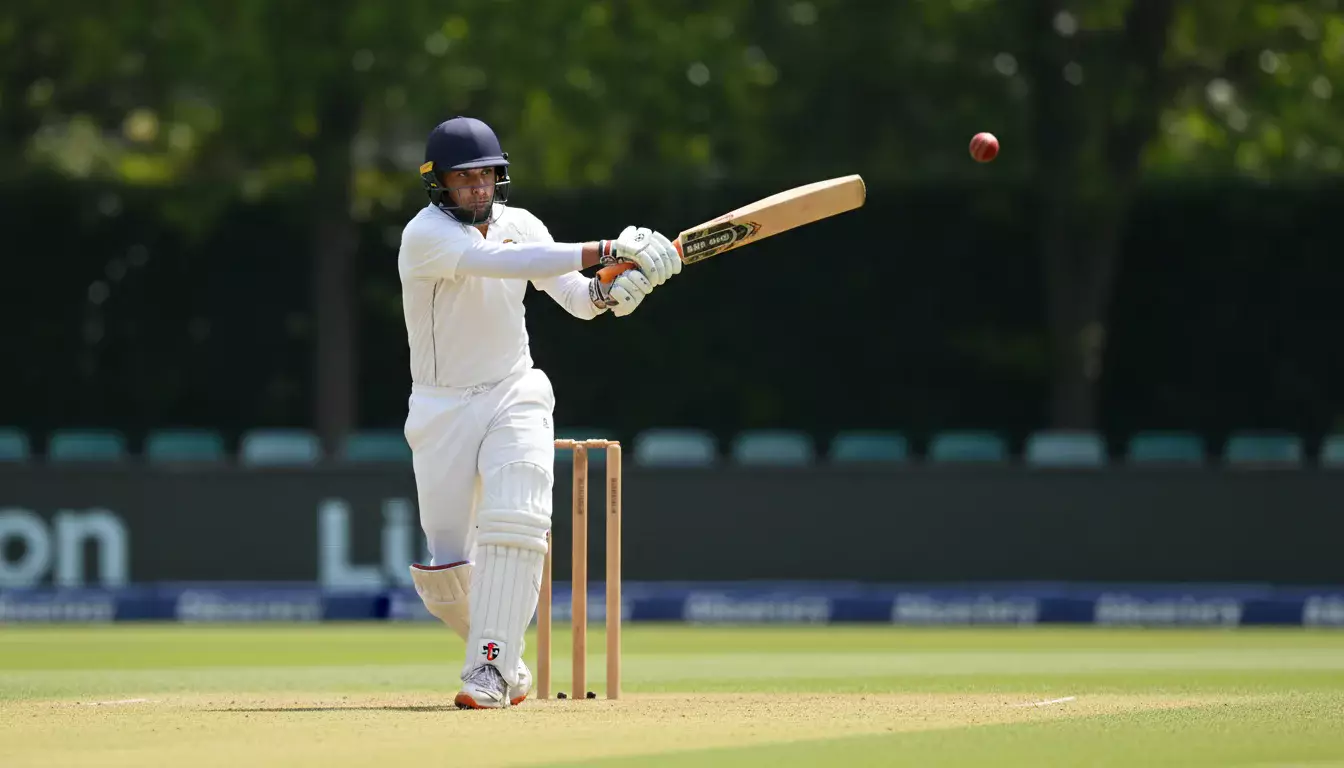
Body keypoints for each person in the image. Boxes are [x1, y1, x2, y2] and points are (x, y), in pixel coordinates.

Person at [398, 116, 681, 709]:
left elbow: (576, 299)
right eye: (463, 177)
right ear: (439, 183)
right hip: (441, 408)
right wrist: (610, 248)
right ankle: (508, 660)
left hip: (513, 388)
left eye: (486, 175)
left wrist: (617, 288)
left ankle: (491, 671)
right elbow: (500, 264)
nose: (476, 187)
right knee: (446, 571)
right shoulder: (424, 236)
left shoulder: (521, 223)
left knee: (517, 517)